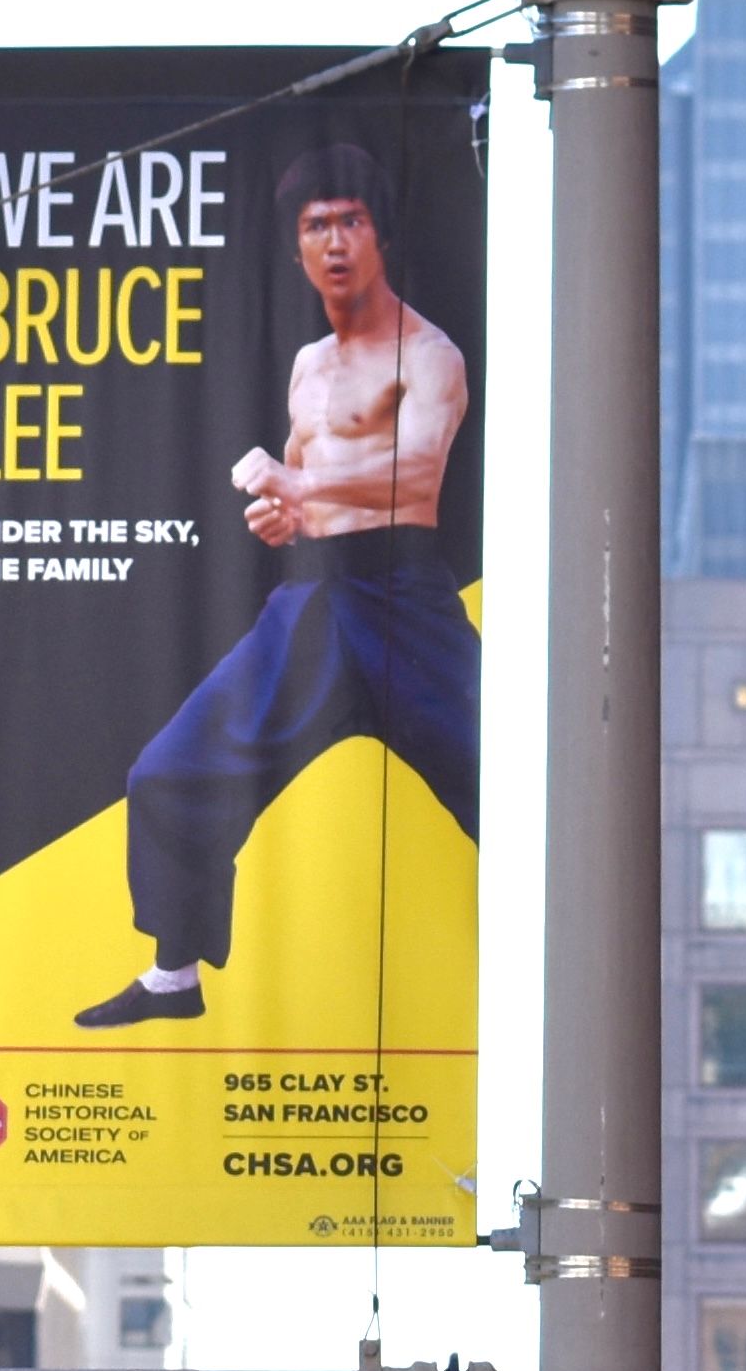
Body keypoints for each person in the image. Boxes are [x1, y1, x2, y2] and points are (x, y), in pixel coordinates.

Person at [76, 139, 480, 1030]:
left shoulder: (429, 355)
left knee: (512, 792)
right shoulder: (307, 366)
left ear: (378, 236)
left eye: (350, 221)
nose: (334, 241)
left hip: (405, 600)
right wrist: (284, 517)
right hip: (312, 598)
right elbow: (305, 485)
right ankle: (173, 979)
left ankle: (564, 973)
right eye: (315, 226)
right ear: (297, 248)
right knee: (168, 773)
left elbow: (412, 477)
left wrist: (295, 486)